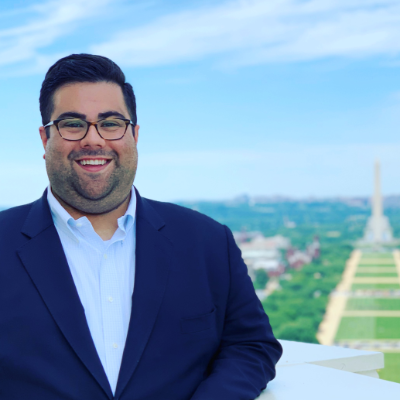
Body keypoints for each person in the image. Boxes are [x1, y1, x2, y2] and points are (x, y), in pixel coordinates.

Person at [0, 54, 282, 400]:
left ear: (134, 135)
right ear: (45, 139)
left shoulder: (207, 242)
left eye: (111, 123)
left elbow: (250, 345)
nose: (94, 140)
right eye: (73, 124)